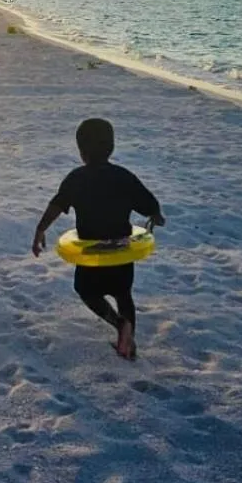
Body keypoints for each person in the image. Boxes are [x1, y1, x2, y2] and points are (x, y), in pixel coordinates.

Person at [31, 118, 164, 360]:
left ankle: (117, 323)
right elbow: (149, 204)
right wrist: (157, 216)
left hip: (92, 252)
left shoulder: (76, 178)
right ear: (111, 148)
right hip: (120, 247)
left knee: (86, 291)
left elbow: (56, 205)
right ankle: (128, 341)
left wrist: (41, 230)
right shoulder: (124, 177)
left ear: (81, 152)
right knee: (123, 293)